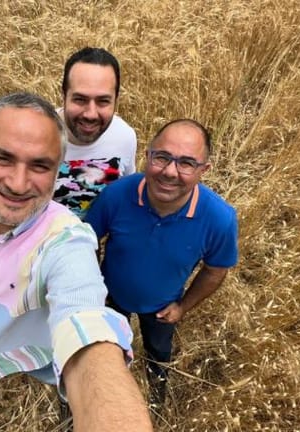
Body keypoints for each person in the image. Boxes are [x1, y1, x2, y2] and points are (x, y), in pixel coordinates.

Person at [0, 92, 153, 431]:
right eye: (2, 158)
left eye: (40, 166)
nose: (17, 184)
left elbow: (85, 322)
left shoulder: (66, 241)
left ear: (58, 172)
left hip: (38, 363)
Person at [85, 119, 239, 412]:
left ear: (204, 170)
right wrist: (95, 287)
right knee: (109, 351)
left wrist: (183, 307)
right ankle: (112, 397)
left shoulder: (220, 219)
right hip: (111, 297)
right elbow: (88, 240)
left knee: (158, 353)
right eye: (162, 157)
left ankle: (157, 399)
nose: (169, 172)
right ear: (147, 155)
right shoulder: (116, 195)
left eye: (186, 163)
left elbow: (216, 270)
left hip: (162, 309)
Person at [53, 47, 138, 219]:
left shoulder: (124, 137)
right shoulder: (39, 135)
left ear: (116, 100)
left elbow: (126, 195)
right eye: (80, 99)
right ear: (64, 95)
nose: (90, 114)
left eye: (103, 101)